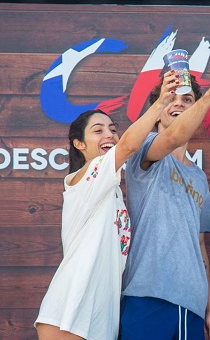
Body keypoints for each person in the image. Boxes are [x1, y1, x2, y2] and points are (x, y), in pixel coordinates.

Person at [35, 91, 171, 339]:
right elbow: (129, 145)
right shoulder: (86, 177)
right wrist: (161, 103)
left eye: (112, 129)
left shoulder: (112, 188)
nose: (109, 135)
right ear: (79, 144)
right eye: (98, 131)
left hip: (100, 319)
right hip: (69, 313)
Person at [118, 53, 210, 340]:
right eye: (172, 99)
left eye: (187, 100)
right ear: (158, 109)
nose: (179, 104)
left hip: (191, 303)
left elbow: (200, 245)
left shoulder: (198, 176)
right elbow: (171, 139)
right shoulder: (144, 149)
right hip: (146, 294)